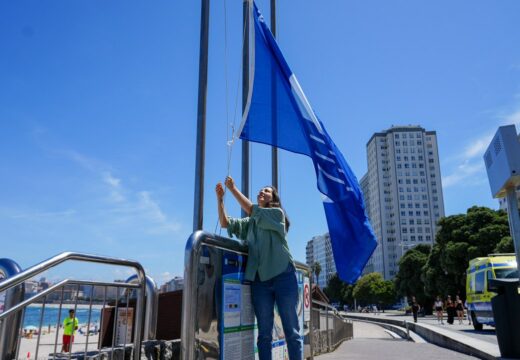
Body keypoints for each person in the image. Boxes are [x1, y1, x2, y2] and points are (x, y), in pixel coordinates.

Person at [216, 176, 302, 360]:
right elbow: (225, 223)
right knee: (263, 335)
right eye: (260, 190)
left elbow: (251, 209)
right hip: (260, 281)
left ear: (274, 198)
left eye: (267, 191)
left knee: (291, 331)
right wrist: (220, 199)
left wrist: (233, 189)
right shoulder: (251, 222)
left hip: (283, 276)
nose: (261, 192)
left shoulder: (277, 214)